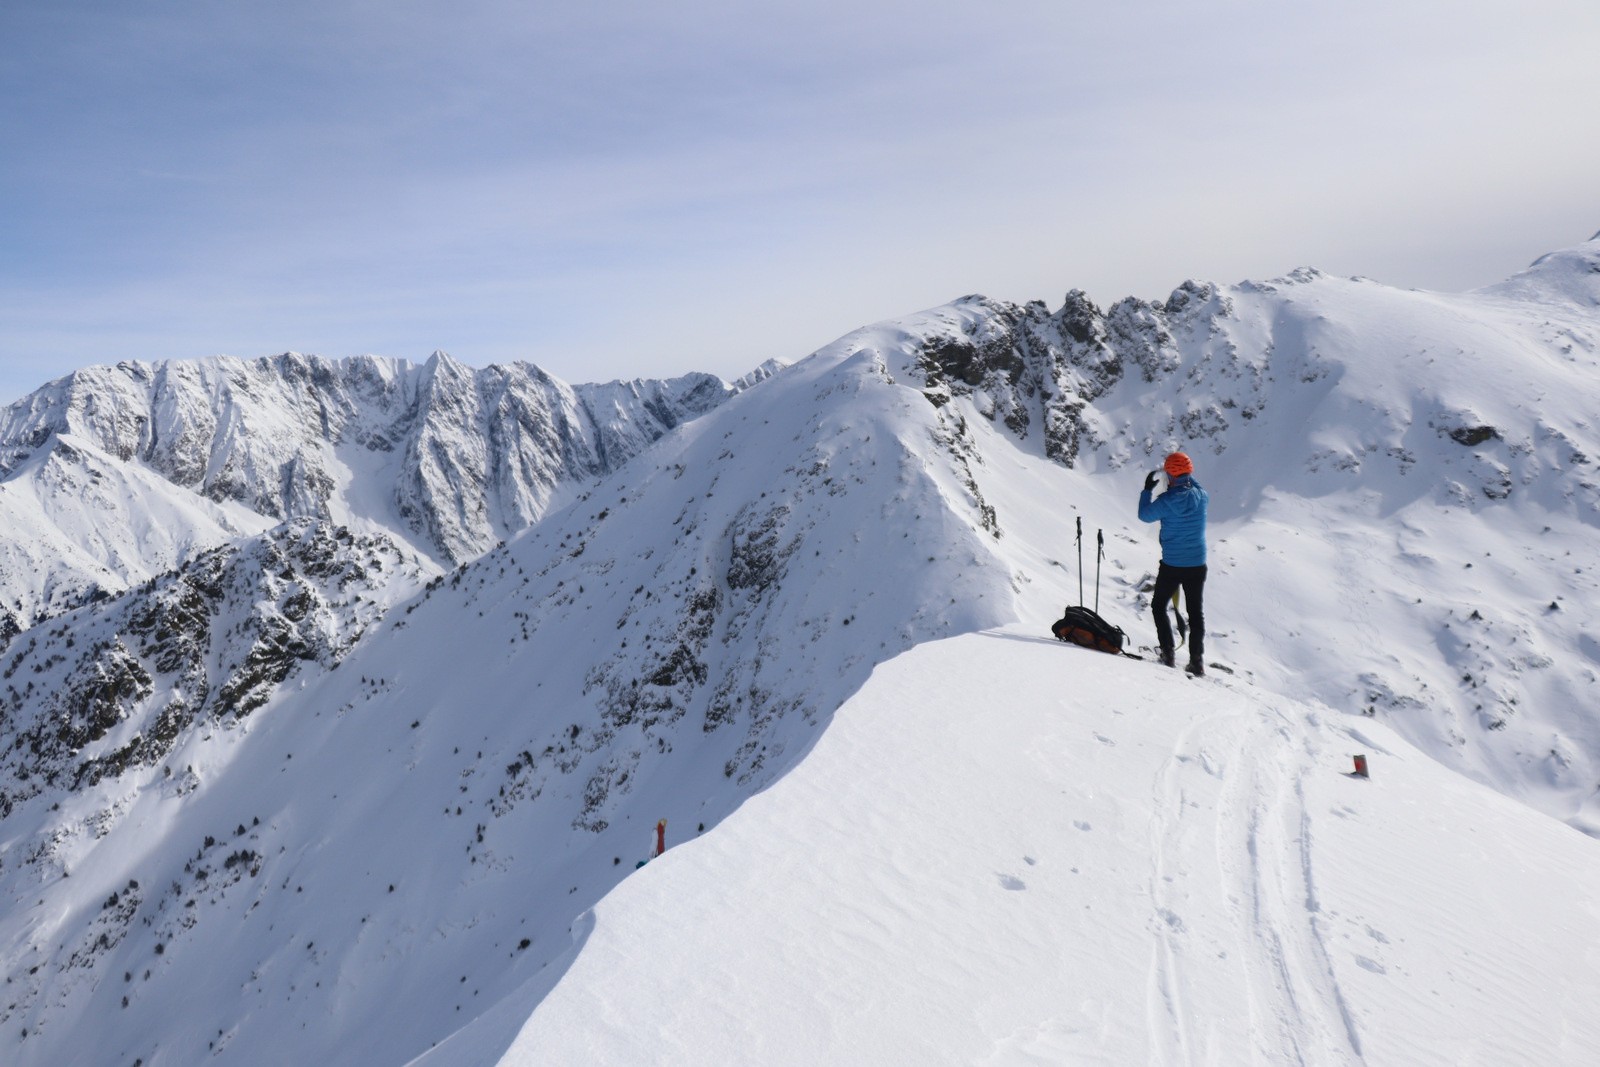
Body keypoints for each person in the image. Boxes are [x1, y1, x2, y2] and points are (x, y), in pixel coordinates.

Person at [1138, 451, 1208, 675]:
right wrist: (1185, 476)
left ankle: (1168, 653)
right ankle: (1196, 661)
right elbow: (1191, 484)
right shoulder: (1201, 496)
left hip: (1172, 564)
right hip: (1197, 564)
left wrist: (1147, 490)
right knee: (1195, 613)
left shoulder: (1166, 502)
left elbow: (1144, 515)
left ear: (1170, 475)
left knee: (1159, 606)